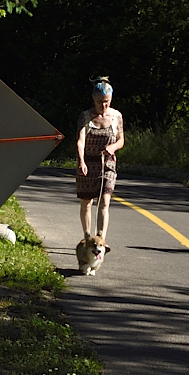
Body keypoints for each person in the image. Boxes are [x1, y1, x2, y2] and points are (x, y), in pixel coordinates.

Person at [75, 77, 124, 275]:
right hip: (88, 163)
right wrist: (81, 161)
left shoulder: (116, 116)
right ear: (93, 100)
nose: (103, 106)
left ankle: (101, 238)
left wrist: (112, 147)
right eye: (99, 102)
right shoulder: (85, 117)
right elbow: (80, 141)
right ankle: (88, 237)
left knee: (105, 201)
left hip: (108, 164)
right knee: (87, 202)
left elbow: (121, 139)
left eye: (107, 102)